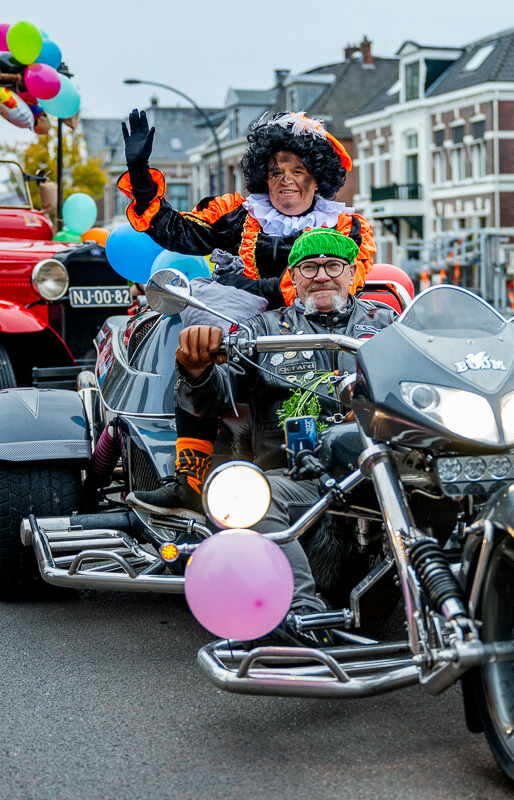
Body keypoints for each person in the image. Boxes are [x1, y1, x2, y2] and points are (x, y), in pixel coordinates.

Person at [128, 229, 396, 627]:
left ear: (352, 273)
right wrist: (197, 368)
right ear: (293, 277)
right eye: (309, 267)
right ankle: (302, 613)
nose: (322, 276)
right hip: (297, 476)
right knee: (247, 498)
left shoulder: (387, 324)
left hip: (379, 470)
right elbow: (214, 398)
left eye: (334, 266)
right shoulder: (261, 330)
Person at [118, 109, 376, 309]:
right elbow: (176, 231)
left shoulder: (348, 228)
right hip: (243, 338)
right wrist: (140, 176)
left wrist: (242, 286)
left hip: (314, 336)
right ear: (264, 177)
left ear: (317, 178)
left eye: (298, 171)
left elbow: (340, 288)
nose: (286, 180)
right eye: (276, 172)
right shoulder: (235, 216)